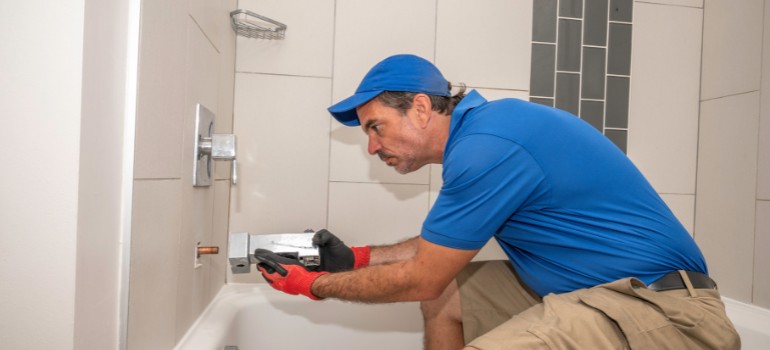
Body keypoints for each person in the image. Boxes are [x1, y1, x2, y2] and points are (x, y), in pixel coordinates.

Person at [253, 54, 740, 349]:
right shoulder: (484, 135)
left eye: (376, 127)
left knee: (434, 289)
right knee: (447, 298)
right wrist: (356, 259)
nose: (373, 147)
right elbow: (436, 252)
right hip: (601, 292)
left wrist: (315, 286)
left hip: (667, 313)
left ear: (421, 108)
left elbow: (423, 275)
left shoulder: (488, 147)